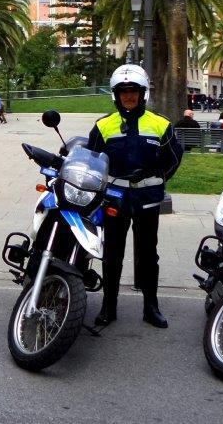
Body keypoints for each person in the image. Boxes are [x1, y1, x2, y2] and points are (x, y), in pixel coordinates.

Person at [86, 64, 183, 329]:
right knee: (112, 254)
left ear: (143, 93)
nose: (129, 96)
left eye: (133, 91)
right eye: (123, 91)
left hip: (147, 199)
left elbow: (174, 159)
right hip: (115, 199)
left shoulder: (160, 124)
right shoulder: (103, 125)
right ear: (116, 95)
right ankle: (109, 307)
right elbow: (93, 160)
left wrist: (155, 175)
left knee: (148, 254)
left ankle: (151, 307)